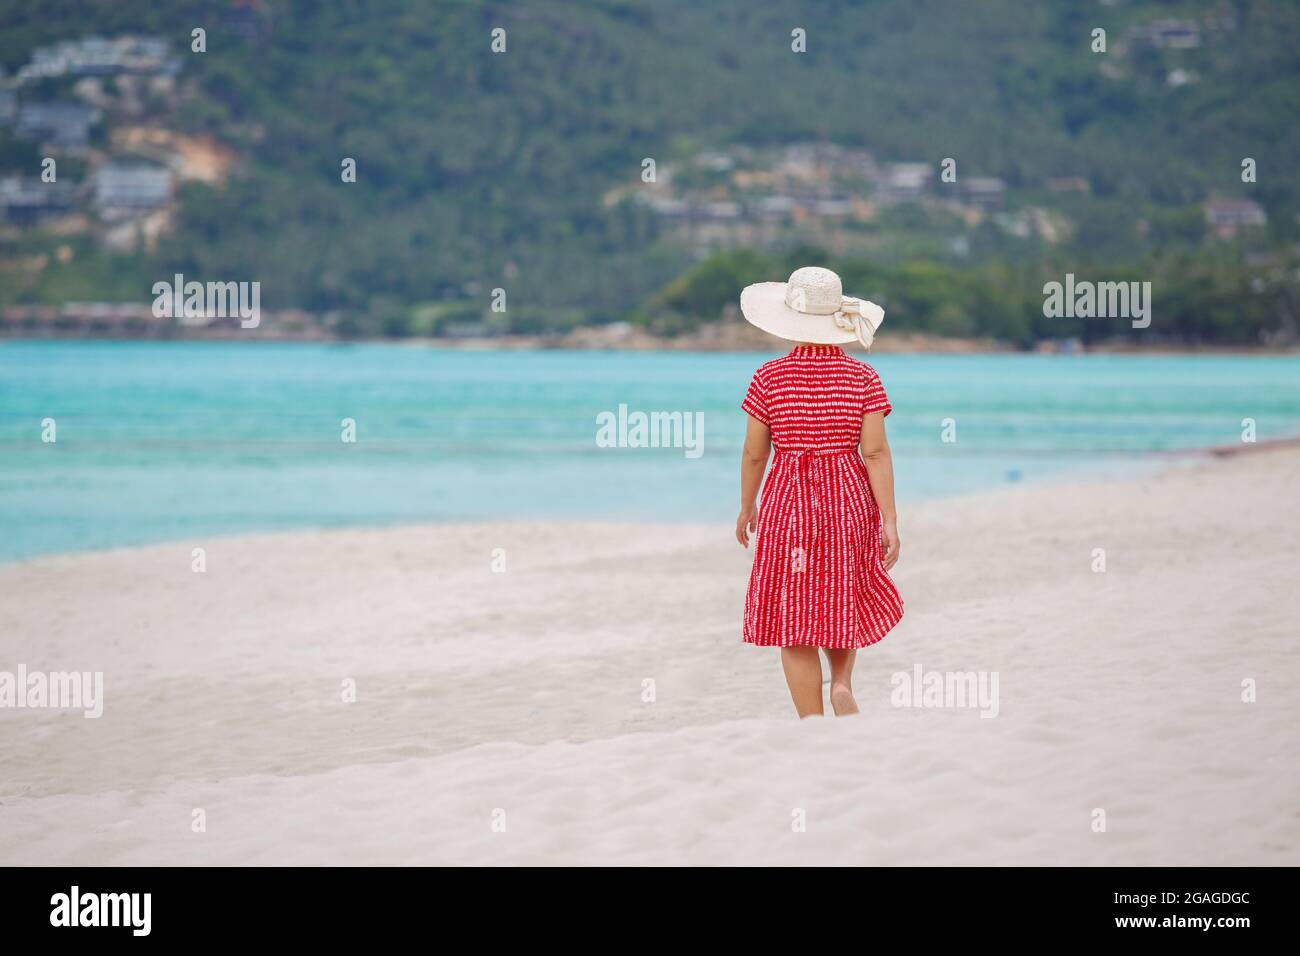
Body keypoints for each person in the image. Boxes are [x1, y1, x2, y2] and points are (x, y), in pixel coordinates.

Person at [735, 267, 903, 718]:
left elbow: (755, 454)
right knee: (839, 595)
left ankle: (812, 723)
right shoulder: (863, 378)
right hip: (847, 500)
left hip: (788, 502)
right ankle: (842, 683)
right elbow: (876, 452)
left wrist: (746, 506)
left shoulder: (769, 378)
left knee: (794, 616)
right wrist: (889, 519)